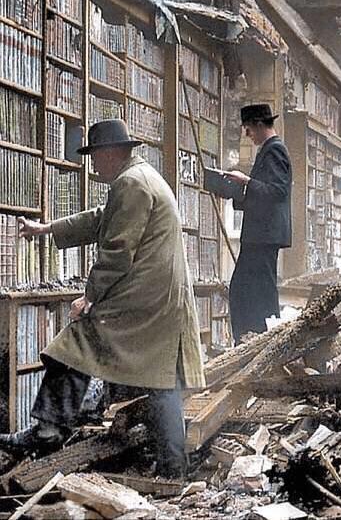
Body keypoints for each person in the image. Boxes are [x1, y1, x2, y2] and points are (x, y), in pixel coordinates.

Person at [0, 119, 205, 477]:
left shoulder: (130, 183)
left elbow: (116, 251)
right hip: (160, 299)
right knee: (161, 382)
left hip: (144, 299)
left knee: (74, 343)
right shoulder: (139, 177)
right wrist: (47, 228)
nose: (93, 165)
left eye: (95, 156)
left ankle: (48, 431)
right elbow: (101, 219)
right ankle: (174, 468)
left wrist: (90, 297)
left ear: (110, 153)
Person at [224, 103, 292, 342]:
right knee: (248, 291)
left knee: (254, 292)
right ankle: (250, 339)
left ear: (260, 124)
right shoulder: (270, 149)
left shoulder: (275, 150)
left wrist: (246, 182)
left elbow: (278, 191)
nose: (247, 135)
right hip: (261, 235)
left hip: (264, 236)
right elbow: (265, 194)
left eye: (248, 129)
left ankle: (258, 339)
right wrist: (234, 192)